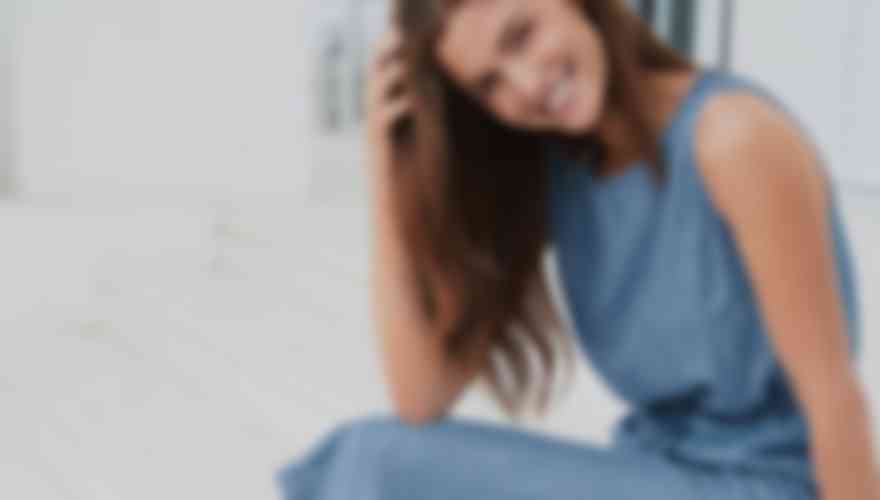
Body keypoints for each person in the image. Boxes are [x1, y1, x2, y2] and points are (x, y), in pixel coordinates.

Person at [277, 1, 879, 499]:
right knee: (379, 458)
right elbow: (419, 396)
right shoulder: (557, 171)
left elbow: (833, 401)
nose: (526, 84)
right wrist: (386, 169)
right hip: (655, 472)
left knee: (374, 464)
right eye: (489, 84)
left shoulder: (732, 138)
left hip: (766, 484)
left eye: (522, 34)